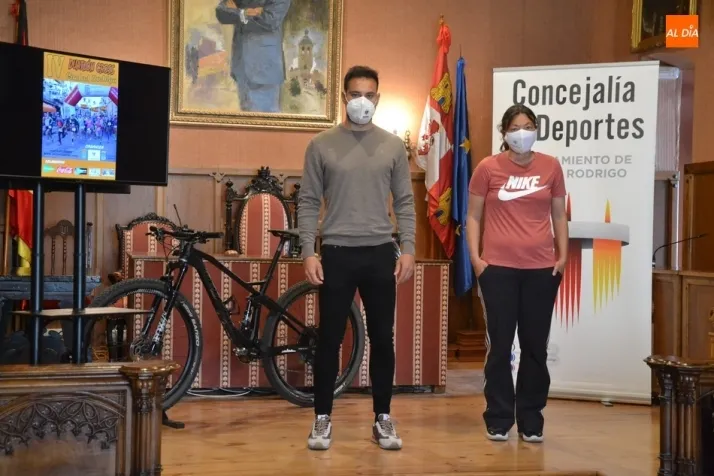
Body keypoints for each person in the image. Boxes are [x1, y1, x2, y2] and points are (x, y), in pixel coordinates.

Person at [298, 65, 416, 451]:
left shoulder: (393, 146)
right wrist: (308, 251)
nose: (361, 100)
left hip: (380, 251)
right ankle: (322, 418)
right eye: (355, 94)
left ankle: (382, 417)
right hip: (336, 252)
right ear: (343, 97)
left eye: (369, 94)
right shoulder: (321, 145)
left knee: (383, 338)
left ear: (378, 98)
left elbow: (405, 201)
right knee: (329, 338)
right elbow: (308, 201)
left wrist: (409, 248)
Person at [465, 104, 568, 443]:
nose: (521, 133)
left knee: (535, 346)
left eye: (528, 126)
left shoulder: (551, 166)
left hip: (541, 270)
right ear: (504, 132)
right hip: (498, 270)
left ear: (536, 129)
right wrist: (477, 260)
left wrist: (562, 257)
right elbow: (473, 216)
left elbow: (559, 215)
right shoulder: (487, 168)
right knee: (500, 346)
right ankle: (498, 417)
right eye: (514, 128)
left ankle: (531, 418)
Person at [215, 0, 290, 113]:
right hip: (241, 67)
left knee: (265, 120)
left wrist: (238, 13)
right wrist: (244, 13)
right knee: (247, 118)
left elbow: (270, 21)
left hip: (264, 70)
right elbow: (221, 13)